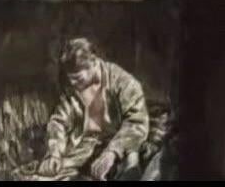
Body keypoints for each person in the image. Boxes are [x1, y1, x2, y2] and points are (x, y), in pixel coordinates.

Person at [36, 38, 149, 181]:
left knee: (130, 168)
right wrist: (54, 152)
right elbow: (58, 121)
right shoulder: (73, 89)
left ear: (94, 62)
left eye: (77, 78)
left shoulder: (124, 82)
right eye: (70, 78)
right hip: (84, 149)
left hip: (120, 145)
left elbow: (136, 122)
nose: (72, 83)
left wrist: (112, 151)